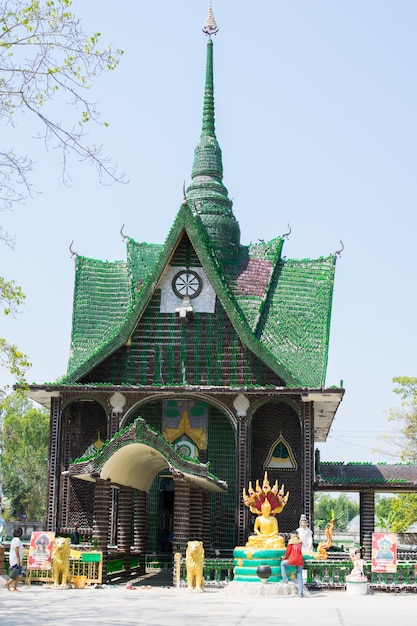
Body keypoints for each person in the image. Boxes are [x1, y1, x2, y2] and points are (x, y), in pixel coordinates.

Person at [281, 531, 304, 597]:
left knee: (283, 563)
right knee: (300, 578)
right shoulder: (300, 542)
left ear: (293, 535)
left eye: (291, 535)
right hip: (300, 561)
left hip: (293, 560)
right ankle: (300, 594)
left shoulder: (291, 542)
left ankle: (285, 579)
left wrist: (284, 558)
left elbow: (288, 552)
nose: (290, 536)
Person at [5, 526, 23, 592]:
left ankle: (14, 587)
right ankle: (8, 584)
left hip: (14, 559)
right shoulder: (17, 540)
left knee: (18, 574)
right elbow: (16, 549)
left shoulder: (14, 540)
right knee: (17, 574)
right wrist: (18, 559)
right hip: (16, 560)